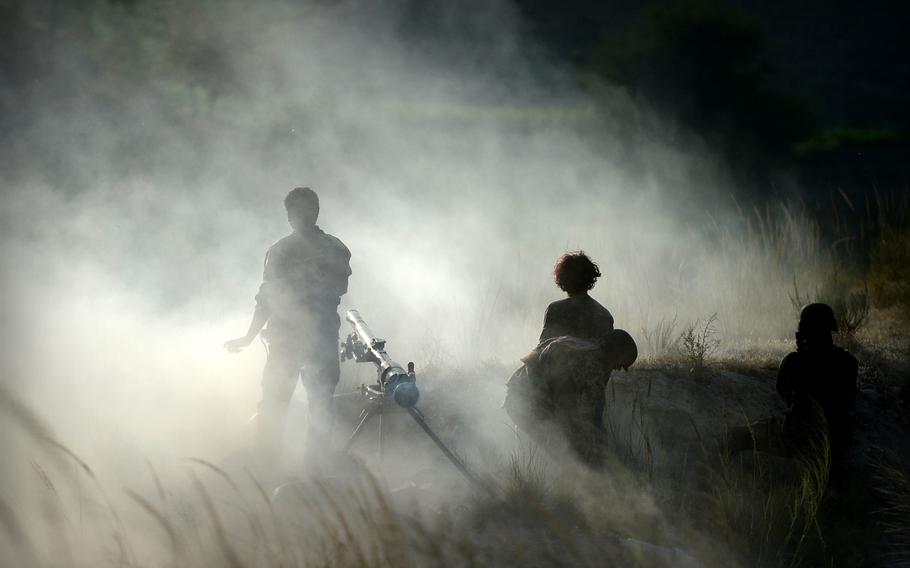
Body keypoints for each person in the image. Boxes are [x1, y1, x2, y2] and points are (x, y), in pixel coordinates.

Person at [224, 187, 351, 463]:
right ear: (290, 216)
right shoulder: (326, 249)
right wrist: (247, 338)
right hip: (296, 340)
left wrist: (249, 337)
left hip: (307, 340)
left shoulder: (297, 250)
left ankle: (304, 470)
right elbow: (268, 299)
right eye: (297, 212)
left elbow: (268, 299)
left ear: (314, 212)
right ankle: (276, 466)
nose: (301, 217)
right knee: (286, 405)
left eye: (305, 211)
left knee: (312, 407)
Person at [505, 251, 637, 466]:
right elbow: (601, 365)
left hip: (552, 384)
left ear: (562, 280)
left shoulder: (556, 309)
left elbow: (542, 350)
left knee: (540, 438)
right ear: (590, 279)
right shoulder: (604, 315)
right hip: (579, 389)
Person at [726, 303, 858, 477]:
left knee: (736, 437)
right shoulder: (848, 362)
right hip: (836, 443)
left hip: (798, 440)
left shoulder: (794, 362)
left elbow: (783, 391)